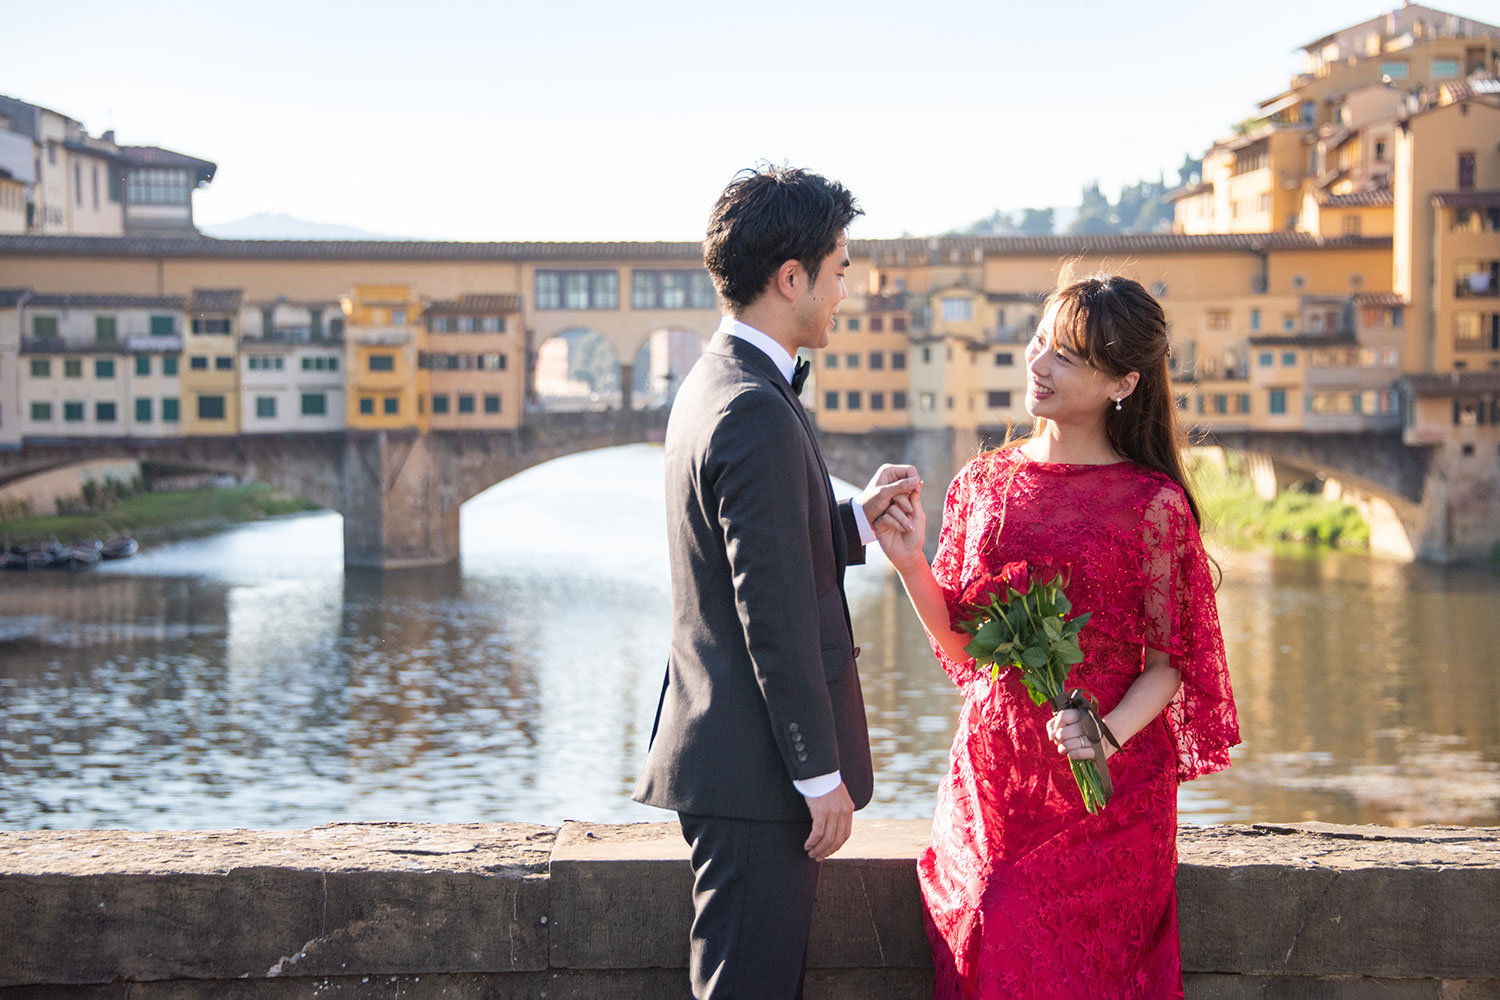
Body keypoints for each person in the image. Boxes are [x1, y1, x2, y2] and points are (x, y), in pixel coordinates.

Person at [873, 272, 1240, 999]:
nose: (1038, 365)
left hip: (1112, 789)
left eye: (1066, 356)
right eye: (1039, 343)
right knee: (988, 919)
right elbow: (960, 646)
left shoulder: (1154, 506)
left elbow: (1170, 665)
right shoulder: (982, 484)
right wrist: (911, 561)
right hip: (996, 777)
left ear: (1122, 382)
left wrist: (1104, 736)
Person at [633, 164, 921, 1000]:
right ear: (790, 278)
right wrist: (815, 773)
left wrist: (856, 520)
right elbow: (771, 609)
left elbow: (752, 557)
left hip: (731, 760)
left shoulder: (719, 382)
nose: (845, 291)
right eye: (837, 271)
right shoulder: (755, 404)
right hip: (757, 775)